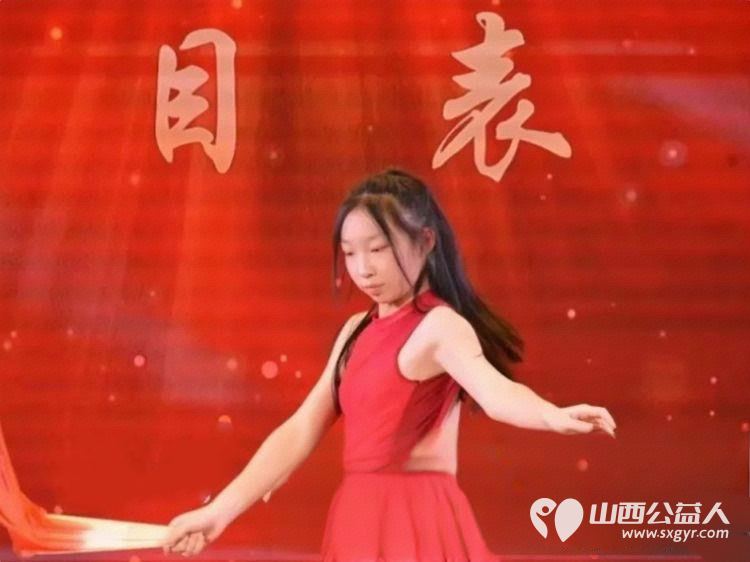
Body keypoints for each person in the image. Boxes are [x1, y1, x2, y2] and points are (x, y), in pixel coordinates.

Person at [161, 168, 617, 560]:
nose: (363, 269)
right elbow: (300, 429)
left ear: (426, 240)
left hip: (416, 515)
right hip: (357, 515)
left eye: (378, 249)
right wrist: (218, 513)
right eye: (350, 252)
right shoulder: (355, 330)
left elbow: (495, 391)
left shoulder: (439, 326)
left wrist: (551, 416)